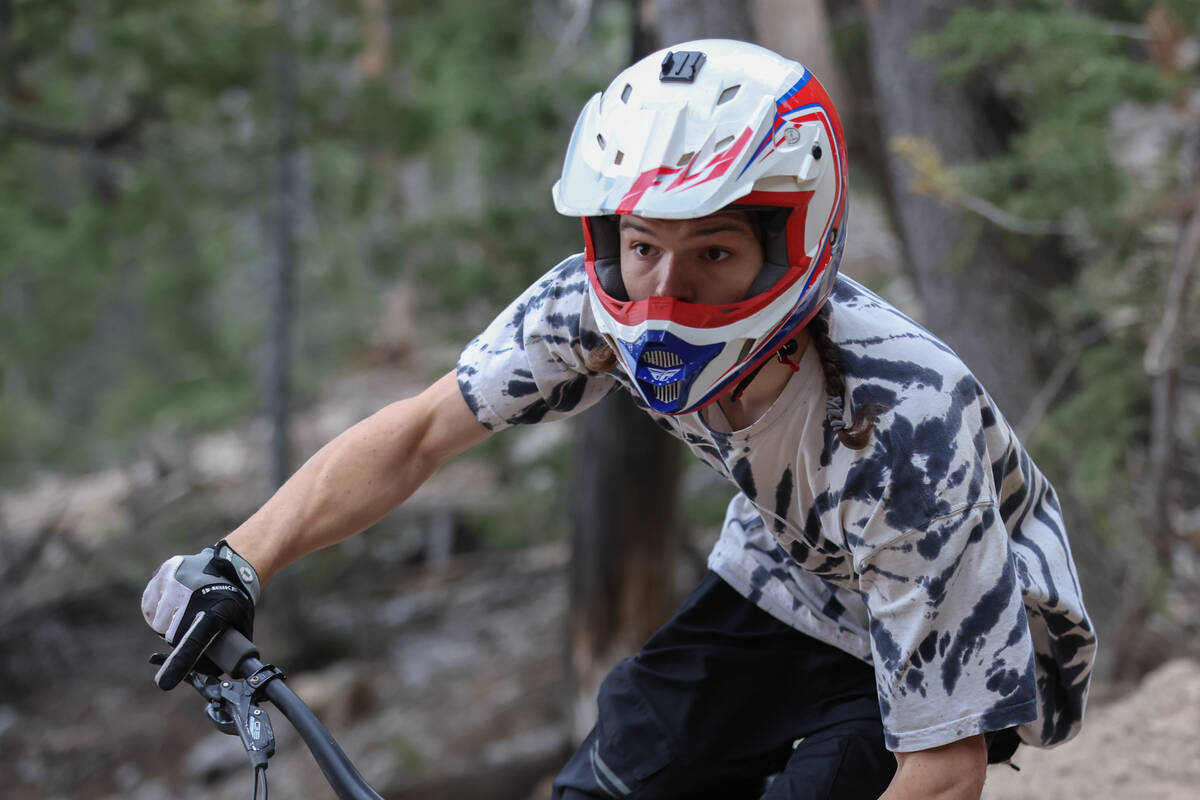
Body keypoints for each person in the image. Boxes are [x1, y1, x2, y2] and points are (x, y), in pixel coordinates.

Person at [142, 39, 1096, 799]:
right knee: (617, 772)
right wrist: (237, 560)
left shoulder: (898, 425)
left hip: (973, 608)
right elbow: (425, 429)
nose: (665, 294)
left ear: (792, 246)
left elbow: (945, 773)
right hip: (794, 575)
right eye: (643, 247)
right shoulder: (597, 306)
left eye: (714, 253)